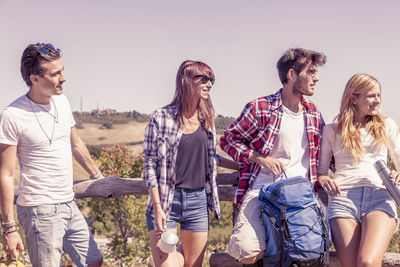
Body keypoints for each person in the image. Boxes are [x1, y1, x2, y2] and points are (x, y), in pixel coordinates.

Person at [0, 43, 104, 267]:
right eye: (55, 73)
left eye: (62, 70)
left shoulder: (62, 102)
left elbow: (75, 144)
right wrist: (9, 227)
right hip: (39, 210)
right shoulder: (13, 115)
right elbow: (6, 175)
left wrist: (99, 177)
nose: (63, 78)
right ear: (35, 78)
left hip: (68, 203)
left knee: (94, 261)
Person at [220, 48, 327, 264]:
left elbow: (329, 155)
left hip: (301, 197)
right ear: (291, 75)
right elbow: (228, 140)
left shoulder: (314, 113)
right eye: (311, 72)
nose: (317, 78)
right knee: (246, 251)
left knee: (308, 253)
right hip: (261, 192)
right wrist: (258, 157)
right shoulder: (260, 108)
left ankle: (277, 243)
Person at [142, 60, 238, 267]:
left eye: (211, 79)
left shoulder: (207, 119)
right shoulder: (161, 117)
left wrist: (242, 166)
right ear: (186, 81)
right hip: (167, 202)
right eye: (202, 79)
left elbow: (211, 158)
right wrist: (157, 207)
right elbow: (149, 164)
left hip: (198, 201)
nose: (209, 84)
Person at [317, 73, 400, 267]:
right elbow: (321, 171)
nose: (377, 100)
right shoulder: (331, 130)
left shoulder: (386, 125)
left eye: (379, 95)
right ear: (353, 97)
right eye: (371, 95)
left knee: (368, 262)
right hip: (343, 199)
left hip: (379, 196)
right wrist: (324, 180)